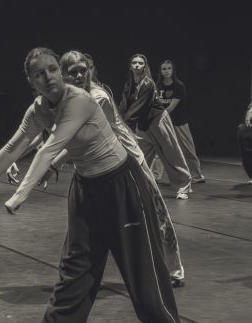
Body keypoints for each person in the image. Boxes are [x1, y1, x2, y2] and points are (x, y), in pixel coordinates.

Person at [0, 47, 182, 323]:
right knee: (76, 260)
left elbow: (51, 148)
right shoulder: (38, 109)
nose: (48, 77)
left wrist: (20, 194)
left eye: (52, 69)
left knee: (139, 258)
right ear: (31, 81)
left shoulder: (81, 99)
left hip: (121, 182)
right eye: (39, 74)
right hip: (86, 185)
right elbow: (14, 146)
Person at [60, 51, 185, 287]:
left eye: (84, 70)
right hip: (102, 164)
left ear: (91, 71)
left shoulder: (97, 97)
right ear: (64, 75)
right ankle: (80, 274)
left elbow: (78, 136)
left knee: (153, 211)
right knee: (90, 219)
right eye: (73, 72)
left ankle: (173, 270)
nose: (79, 76)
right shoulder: (72, 97)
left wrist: (50, 163)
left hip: (128, 157)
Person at [119, 54, 192, 199]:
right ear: (130, 66)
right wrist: (117, 120)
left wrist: (122, 123)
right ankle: (139, 187)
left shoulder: (148, 84)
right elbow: (123, 106)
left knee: (171, 154)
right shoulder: (129, 84)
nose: (137, 65)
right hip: (143, 126)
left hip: (158, 122)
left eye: (140, 63)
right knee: (140, 156)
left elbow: (137, 107)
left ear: (145, 66)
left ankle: (184, 186)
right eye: (134, 62)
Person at [156, 60, 205, 183]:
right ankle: (156, 176)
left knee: (188, 149)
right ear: (160, 71)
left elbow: (171, 107)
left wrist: (159, 117)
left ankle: (197, 176)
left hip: (179, 122)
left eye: (169, 68)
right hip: (163, 122)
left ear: (173, 70)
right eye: (164, 69)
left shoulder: (179, 86)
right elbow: (156, 104)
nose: (166, 71)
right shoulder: (158, 86)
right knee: (159, 149)